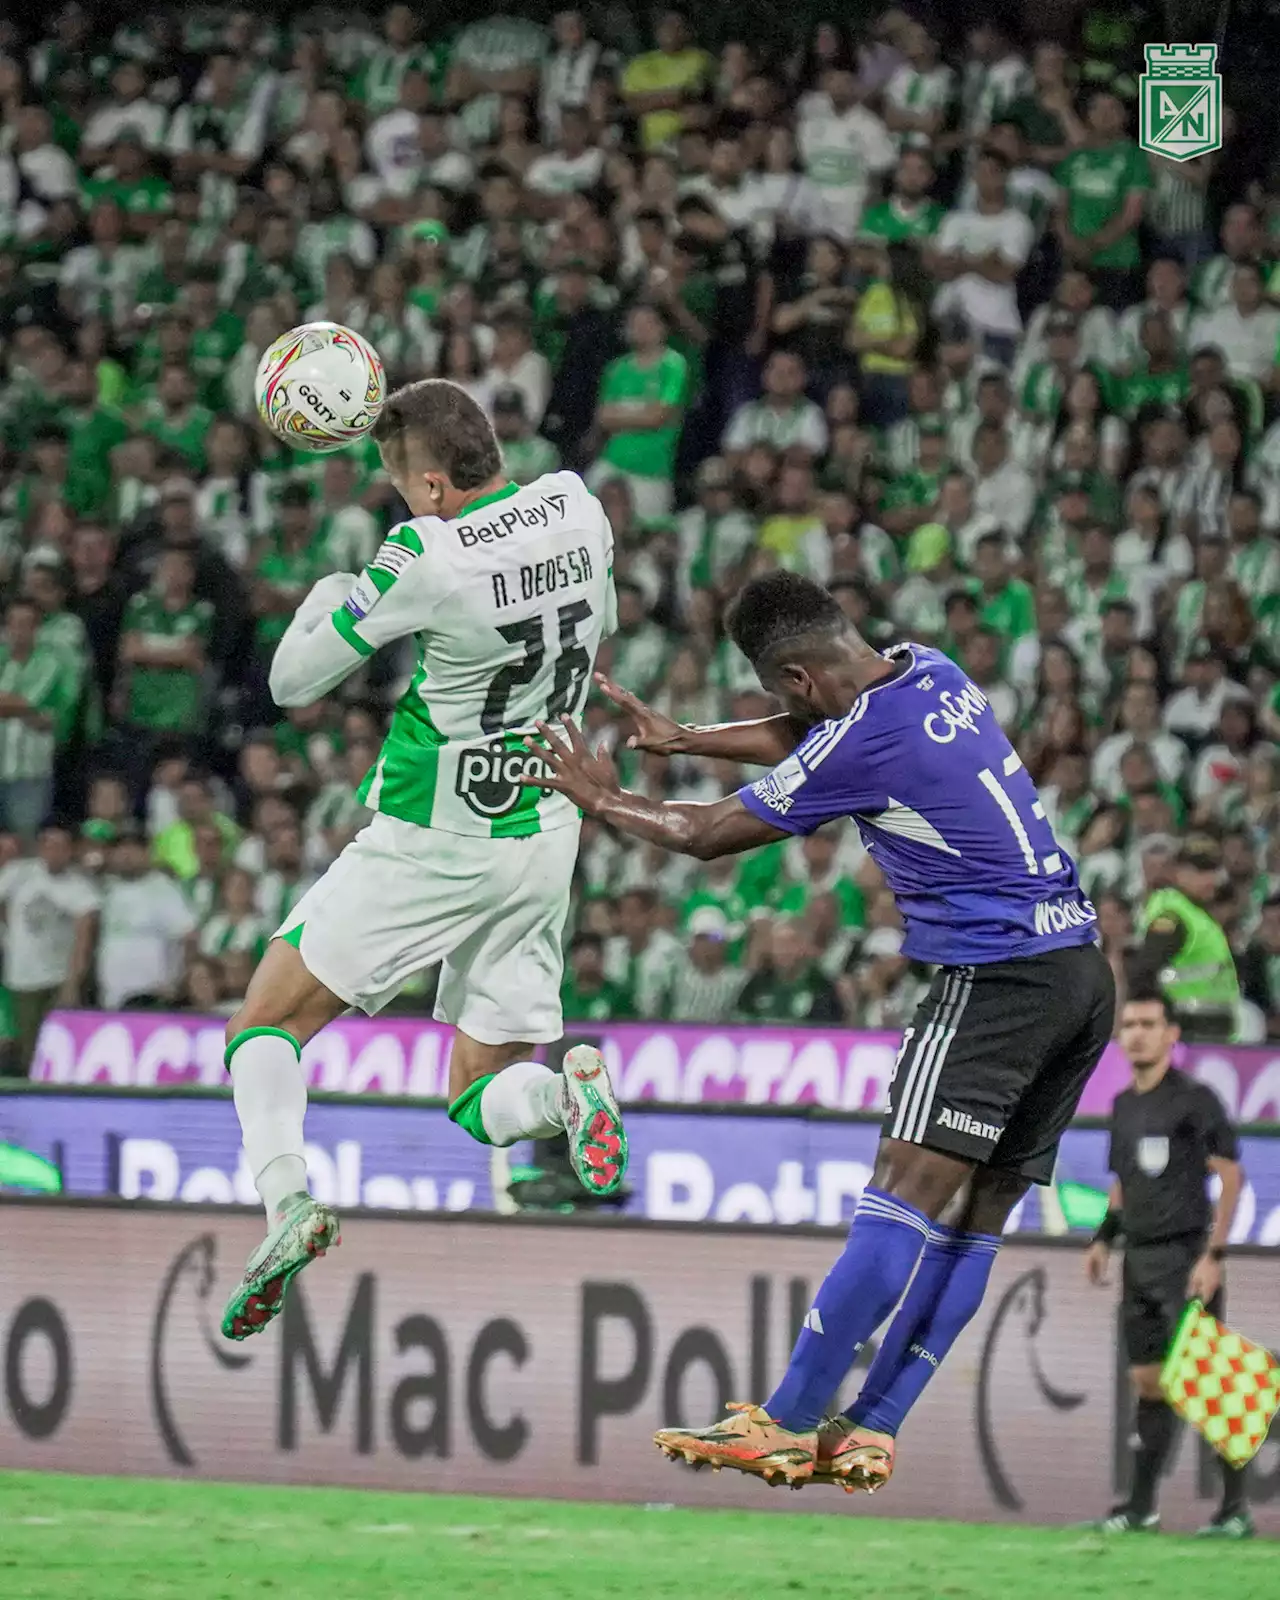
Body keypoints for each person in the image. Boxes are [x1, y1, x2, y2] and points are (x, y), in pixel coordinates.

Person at [527, 569, 1113, 1489]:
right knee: (976, 1219)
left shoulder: (860, 741)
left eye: (778, 690)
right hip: (1080, 973)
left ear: (796, 675)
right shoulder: (932, 670)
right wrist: (687, 739)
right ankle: (872, 1424)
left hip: (996, 978)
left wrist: (599, 799)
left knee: (901, 1192)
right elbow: (812, 735)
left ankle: (790, 1422)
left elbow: (707, 834)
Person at [218, 379, 627, 1342]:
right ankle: (569, 1095)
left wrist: (331, 594)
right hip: (544, 826)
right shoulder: (578, 504)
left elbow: (291, 682)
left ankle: (287, 1207)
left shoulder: (422, 551)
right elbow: (598, 622)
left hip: (433, 832)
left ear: (436, 485)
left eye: (406, 488)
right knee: (480, 1094)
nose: (405, 504)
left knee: (262, 1029)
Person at [1086, 991, 1250, 1539]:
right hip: (1139, 1257)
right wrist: (1103, 1239)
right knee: (1149, 1381)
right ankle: (1141, 1508)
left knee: (1211, 1380)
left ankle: (1233, 1511)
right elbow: (1123, 1183)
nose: (1136, 1032)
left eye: (1148, 1023)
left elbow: (1229, 1175)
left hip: (1185, 1255)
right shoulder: (1124, 1105)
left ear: (1171, 1034)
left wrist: (1215, 1254)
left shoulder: (1195, 1099)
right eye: (1129, 1024)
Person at [1132, 835, 1241, 1042]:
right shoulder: (1173, 915)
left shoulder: (1196, 913)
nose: (1211, 879)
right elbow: (1143, 974)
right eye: (1200, 872)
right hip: (1186, 1033)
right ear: (1178, 872)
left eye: (1213, 871)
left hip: (1210, 1033)